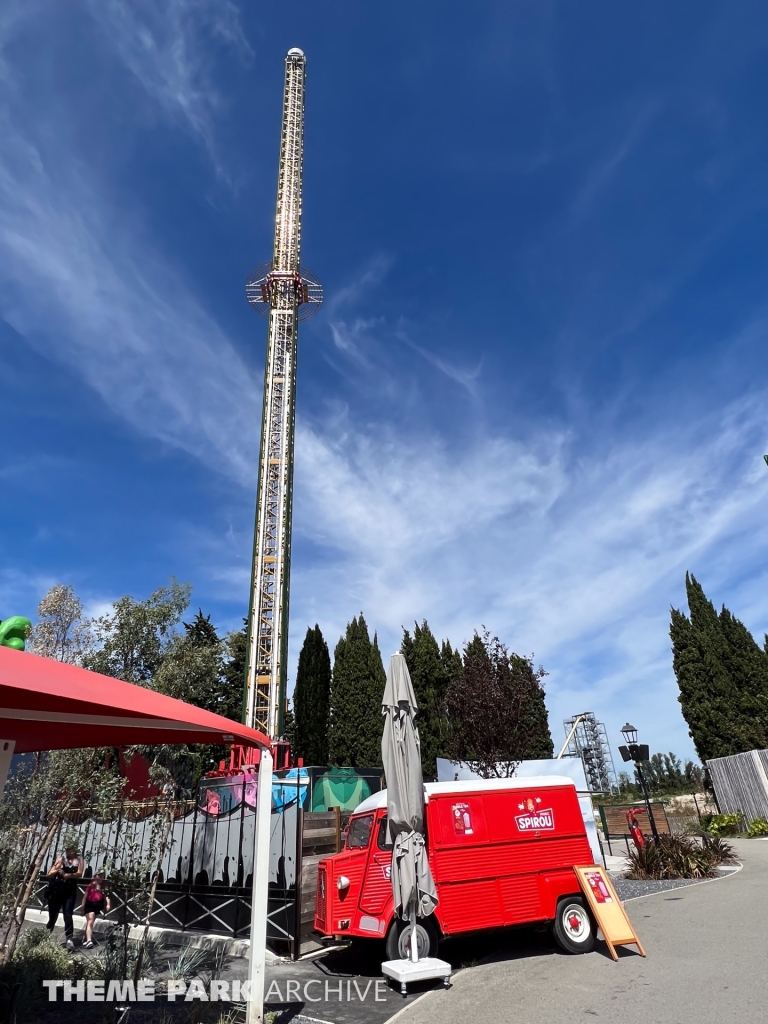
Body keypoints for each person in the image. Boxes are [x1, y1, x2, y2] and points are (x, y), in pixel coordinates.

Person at [45, 846, 83, 949]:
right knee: (53, 916)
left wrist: (69, 875)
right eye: (68, 849)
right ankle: (46, 936)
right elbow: (49, 874)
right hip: (57, 891)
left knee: (68, 915)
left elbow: (79, 873)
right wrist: (58, 869)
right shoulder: (61, 859)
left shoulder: (79, 860)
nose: (69, 851)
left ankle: (69, 938)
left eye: (71, 849)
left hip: (70, 892)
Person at [80, 872, 110, 948]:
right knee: (90, 921)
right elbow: (85, 897)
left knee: (91, 922)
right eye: (99, 876)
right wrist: (82, 908)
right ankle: (89, 940)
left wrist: (108, 904)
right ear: (95, 876)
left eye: (102, 876)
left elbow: (107, 896)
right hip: (89, 904)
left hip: (97, 905)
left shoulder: (103, 886)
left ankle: (86, 938)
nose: (101, 878)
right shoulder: (91, 886)